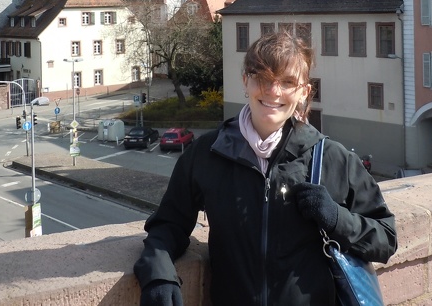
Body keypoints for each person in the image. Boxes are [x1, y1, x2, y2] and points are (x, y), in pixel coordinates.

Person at [133, 31, 397, 306]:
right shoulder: (208, 153)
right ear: (245, 80)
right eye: (263, 77)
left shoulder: (332, 159)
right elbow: (169, 225)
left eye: (287, 82)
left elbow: (385, 239)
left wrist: (335, 218)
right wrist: (158, 274)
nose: (273, 91)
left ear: (304, 92)